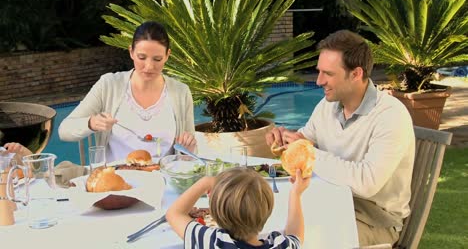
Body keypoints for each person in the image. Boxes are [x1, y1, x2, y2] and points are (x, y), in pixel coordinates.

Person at [265, 30, 415, 246]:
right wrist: (285, 140)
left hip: (374, 221)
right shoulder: (327, 106)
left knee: (306, 241)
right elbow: (305, 138)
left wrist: (308, 153)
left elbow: (367, 183)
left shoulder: (390, 115)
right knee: (273, 223)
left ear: (356, 74)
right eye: (319, 72)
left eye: (328, 73)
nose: (318, 81)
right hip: (329, 203)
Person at [59, 21, 196, 162]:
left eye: (157, 59)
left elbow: (189, 155)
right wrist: (91, 123)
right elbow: (64, 130)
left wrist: (188, 149)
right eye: (142, 57)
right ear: (131, 52)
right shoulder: (109, 85)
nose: (149, 66)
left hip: (165, 180)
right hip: (116, 179)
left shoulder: (181, 92)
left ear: (167, 55)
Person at [166, 167, 311, 248]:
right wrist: (295, 194)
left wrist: (206, 181)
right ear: (268, 210)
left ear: (216, 214)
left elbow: (174, 214)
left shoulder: (213, 241)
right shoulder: (280, 246)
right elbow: (296, 235)